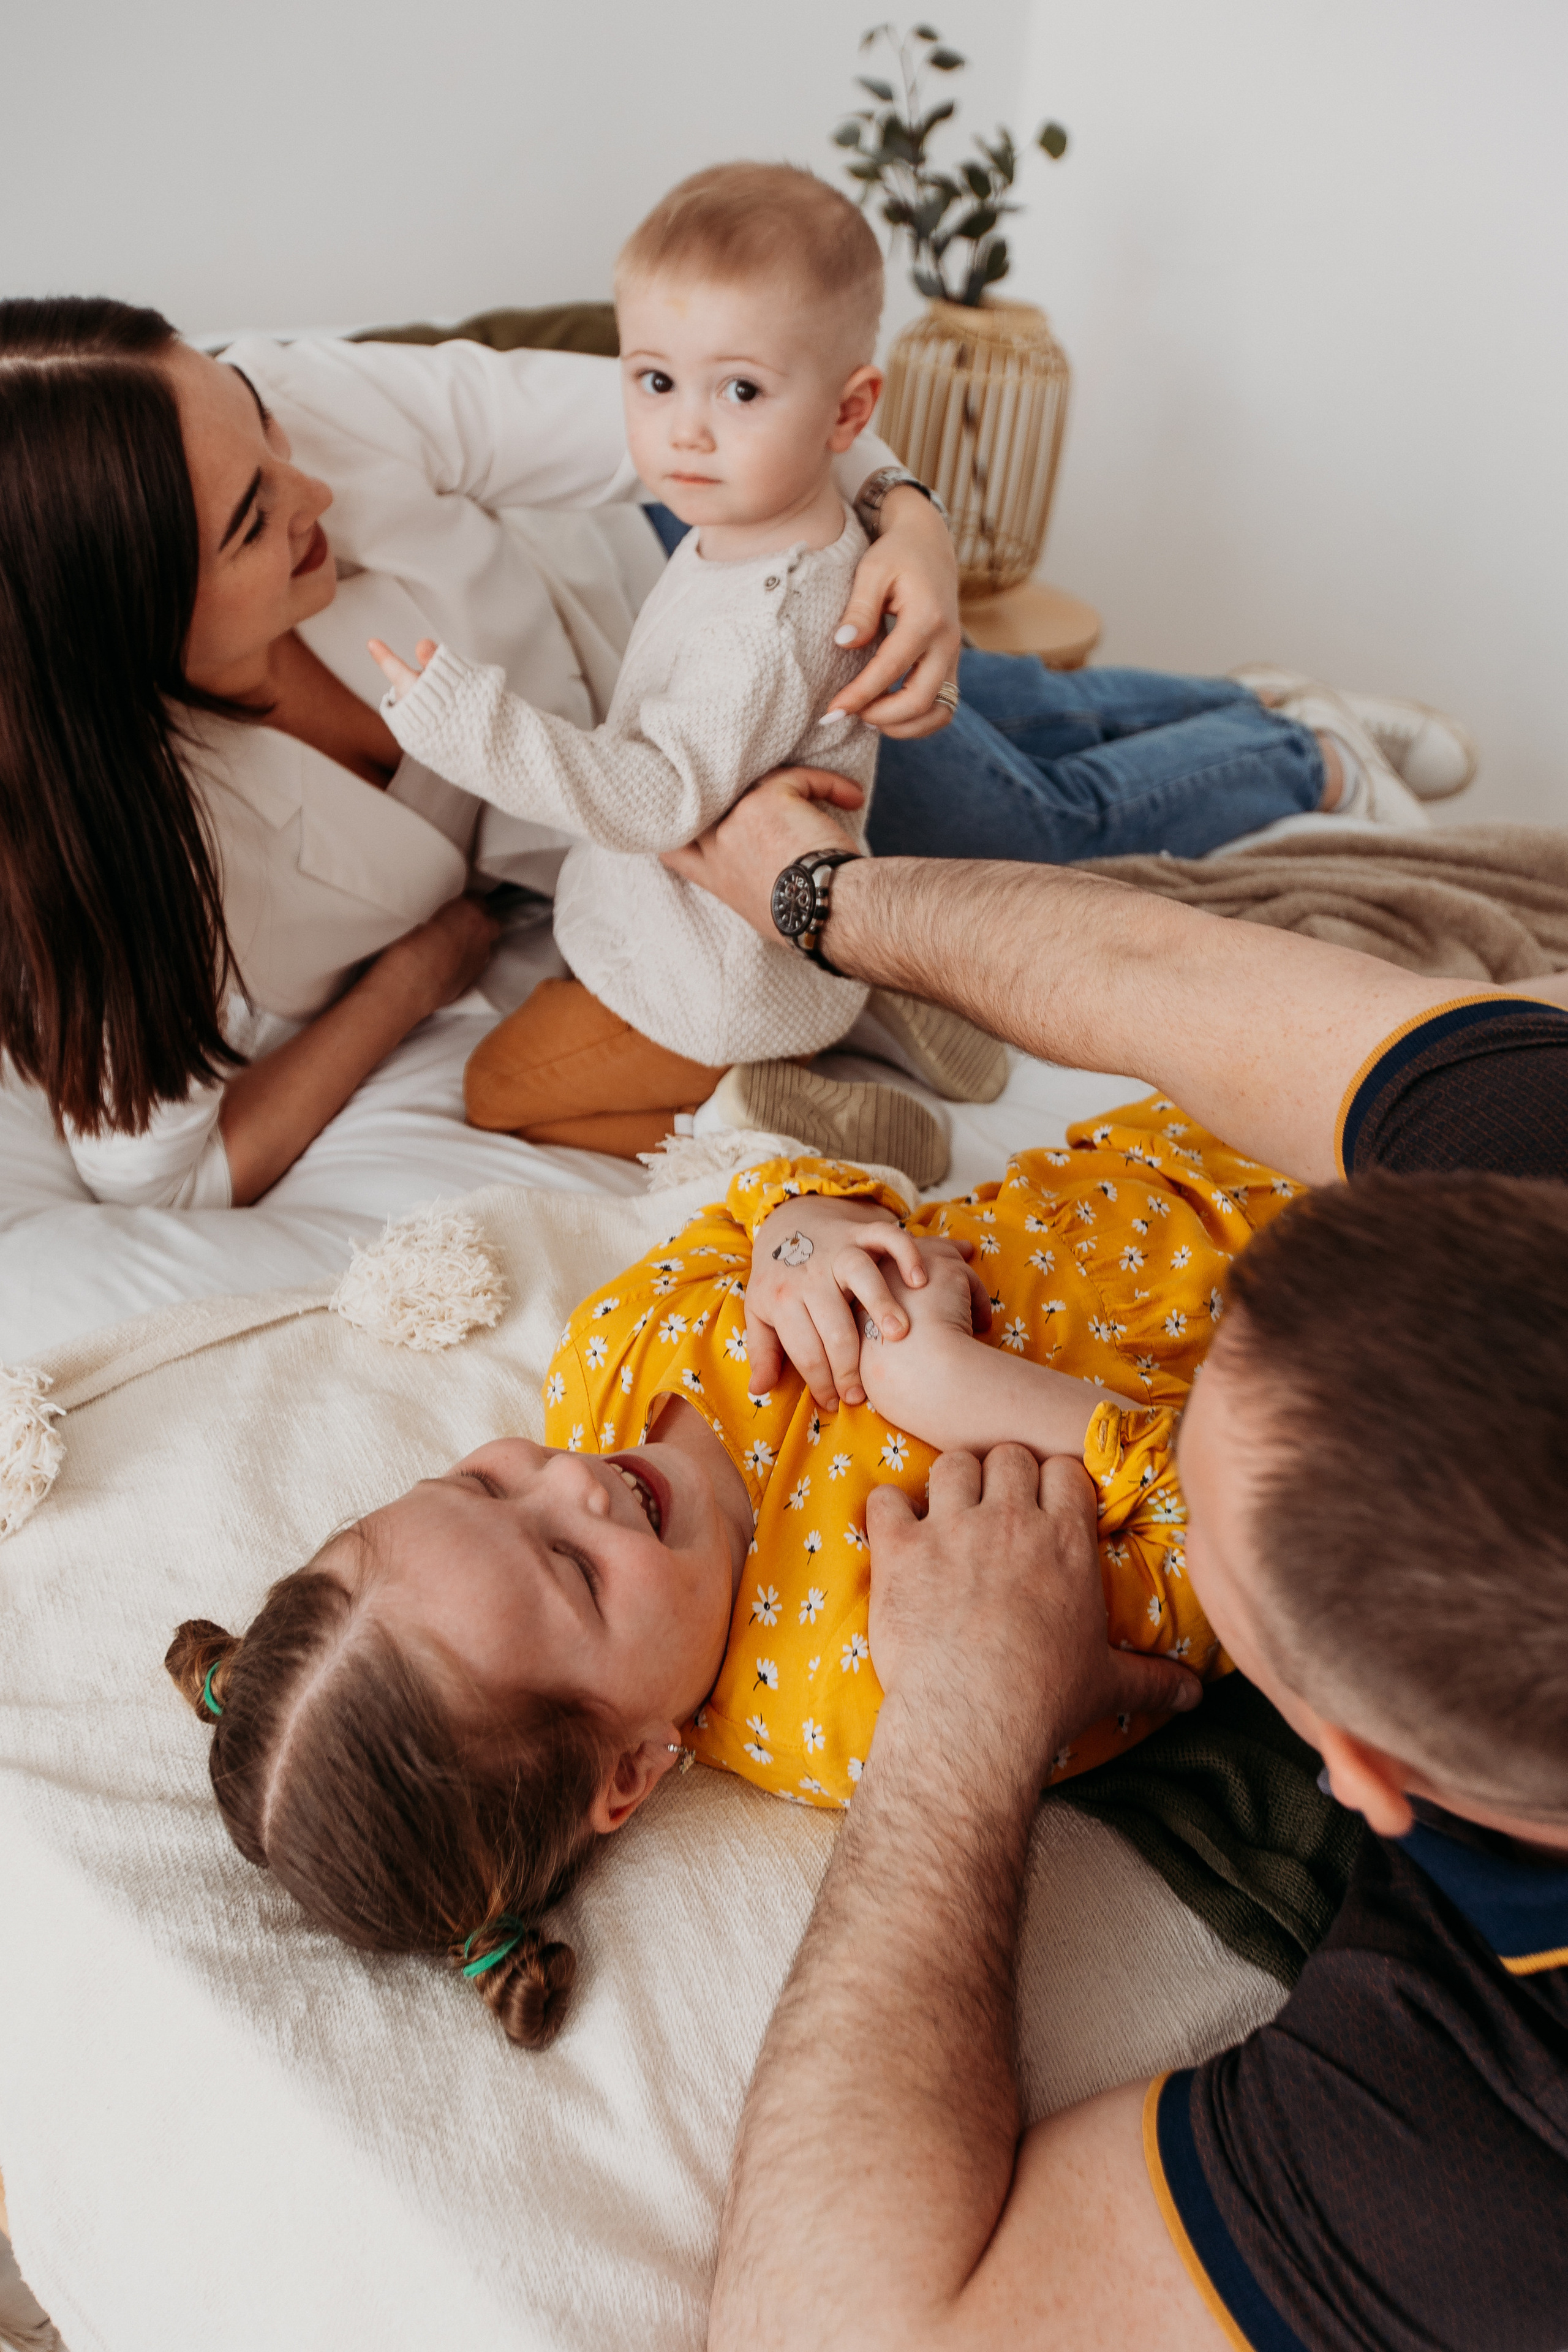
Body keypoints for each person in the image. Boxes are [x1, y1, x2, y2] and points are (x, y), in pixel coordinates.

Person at [658, 770, 1568, 2351]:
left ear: (1359, 1772)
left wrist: (962, 1720)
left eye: (1193, 1529)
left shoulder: (1486, 2151)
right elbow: (1154, 979)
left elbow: (820, 2333)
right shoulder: (1530, 1141)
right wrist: (815, 894)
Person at [160, 1093, 1299, 2045]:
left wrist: (801, 1235)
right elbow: (1245, 1540)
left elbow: (756, 1212)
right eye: (576, 1571)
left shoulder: (607, 1361)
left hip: (1175, 1133)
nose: (580, 1483)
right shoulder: (865, 1682)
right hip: (1329, 1307)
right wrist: (952, 1388)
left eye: (484, 1488)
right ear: (632, 1774)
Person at [0, 295, 958, 1211]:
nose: (316, 490)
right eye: (253, 521)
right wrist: (414, 977)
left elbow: (718, 408)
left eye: (263, 423)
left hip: (718, 567)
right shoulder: (121, 850)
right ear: (126, 636)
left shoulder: (285, 403)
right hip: (657, 802)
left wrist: (910, 519)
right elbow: (173, 1179)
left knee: (1029, 812)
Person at [371, 165, 998, 1182]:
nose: (686, 430)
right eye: (655, 381)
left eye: (740, 389)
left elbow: (661, 799)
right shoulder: (763, 528)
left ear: (850, 414)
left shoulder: (764, 612)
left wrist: (474, 728)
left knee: (497, 1090)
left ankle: (765, 1117)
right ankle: (876, 1003)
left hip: (716, 978)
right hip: (765, 934)